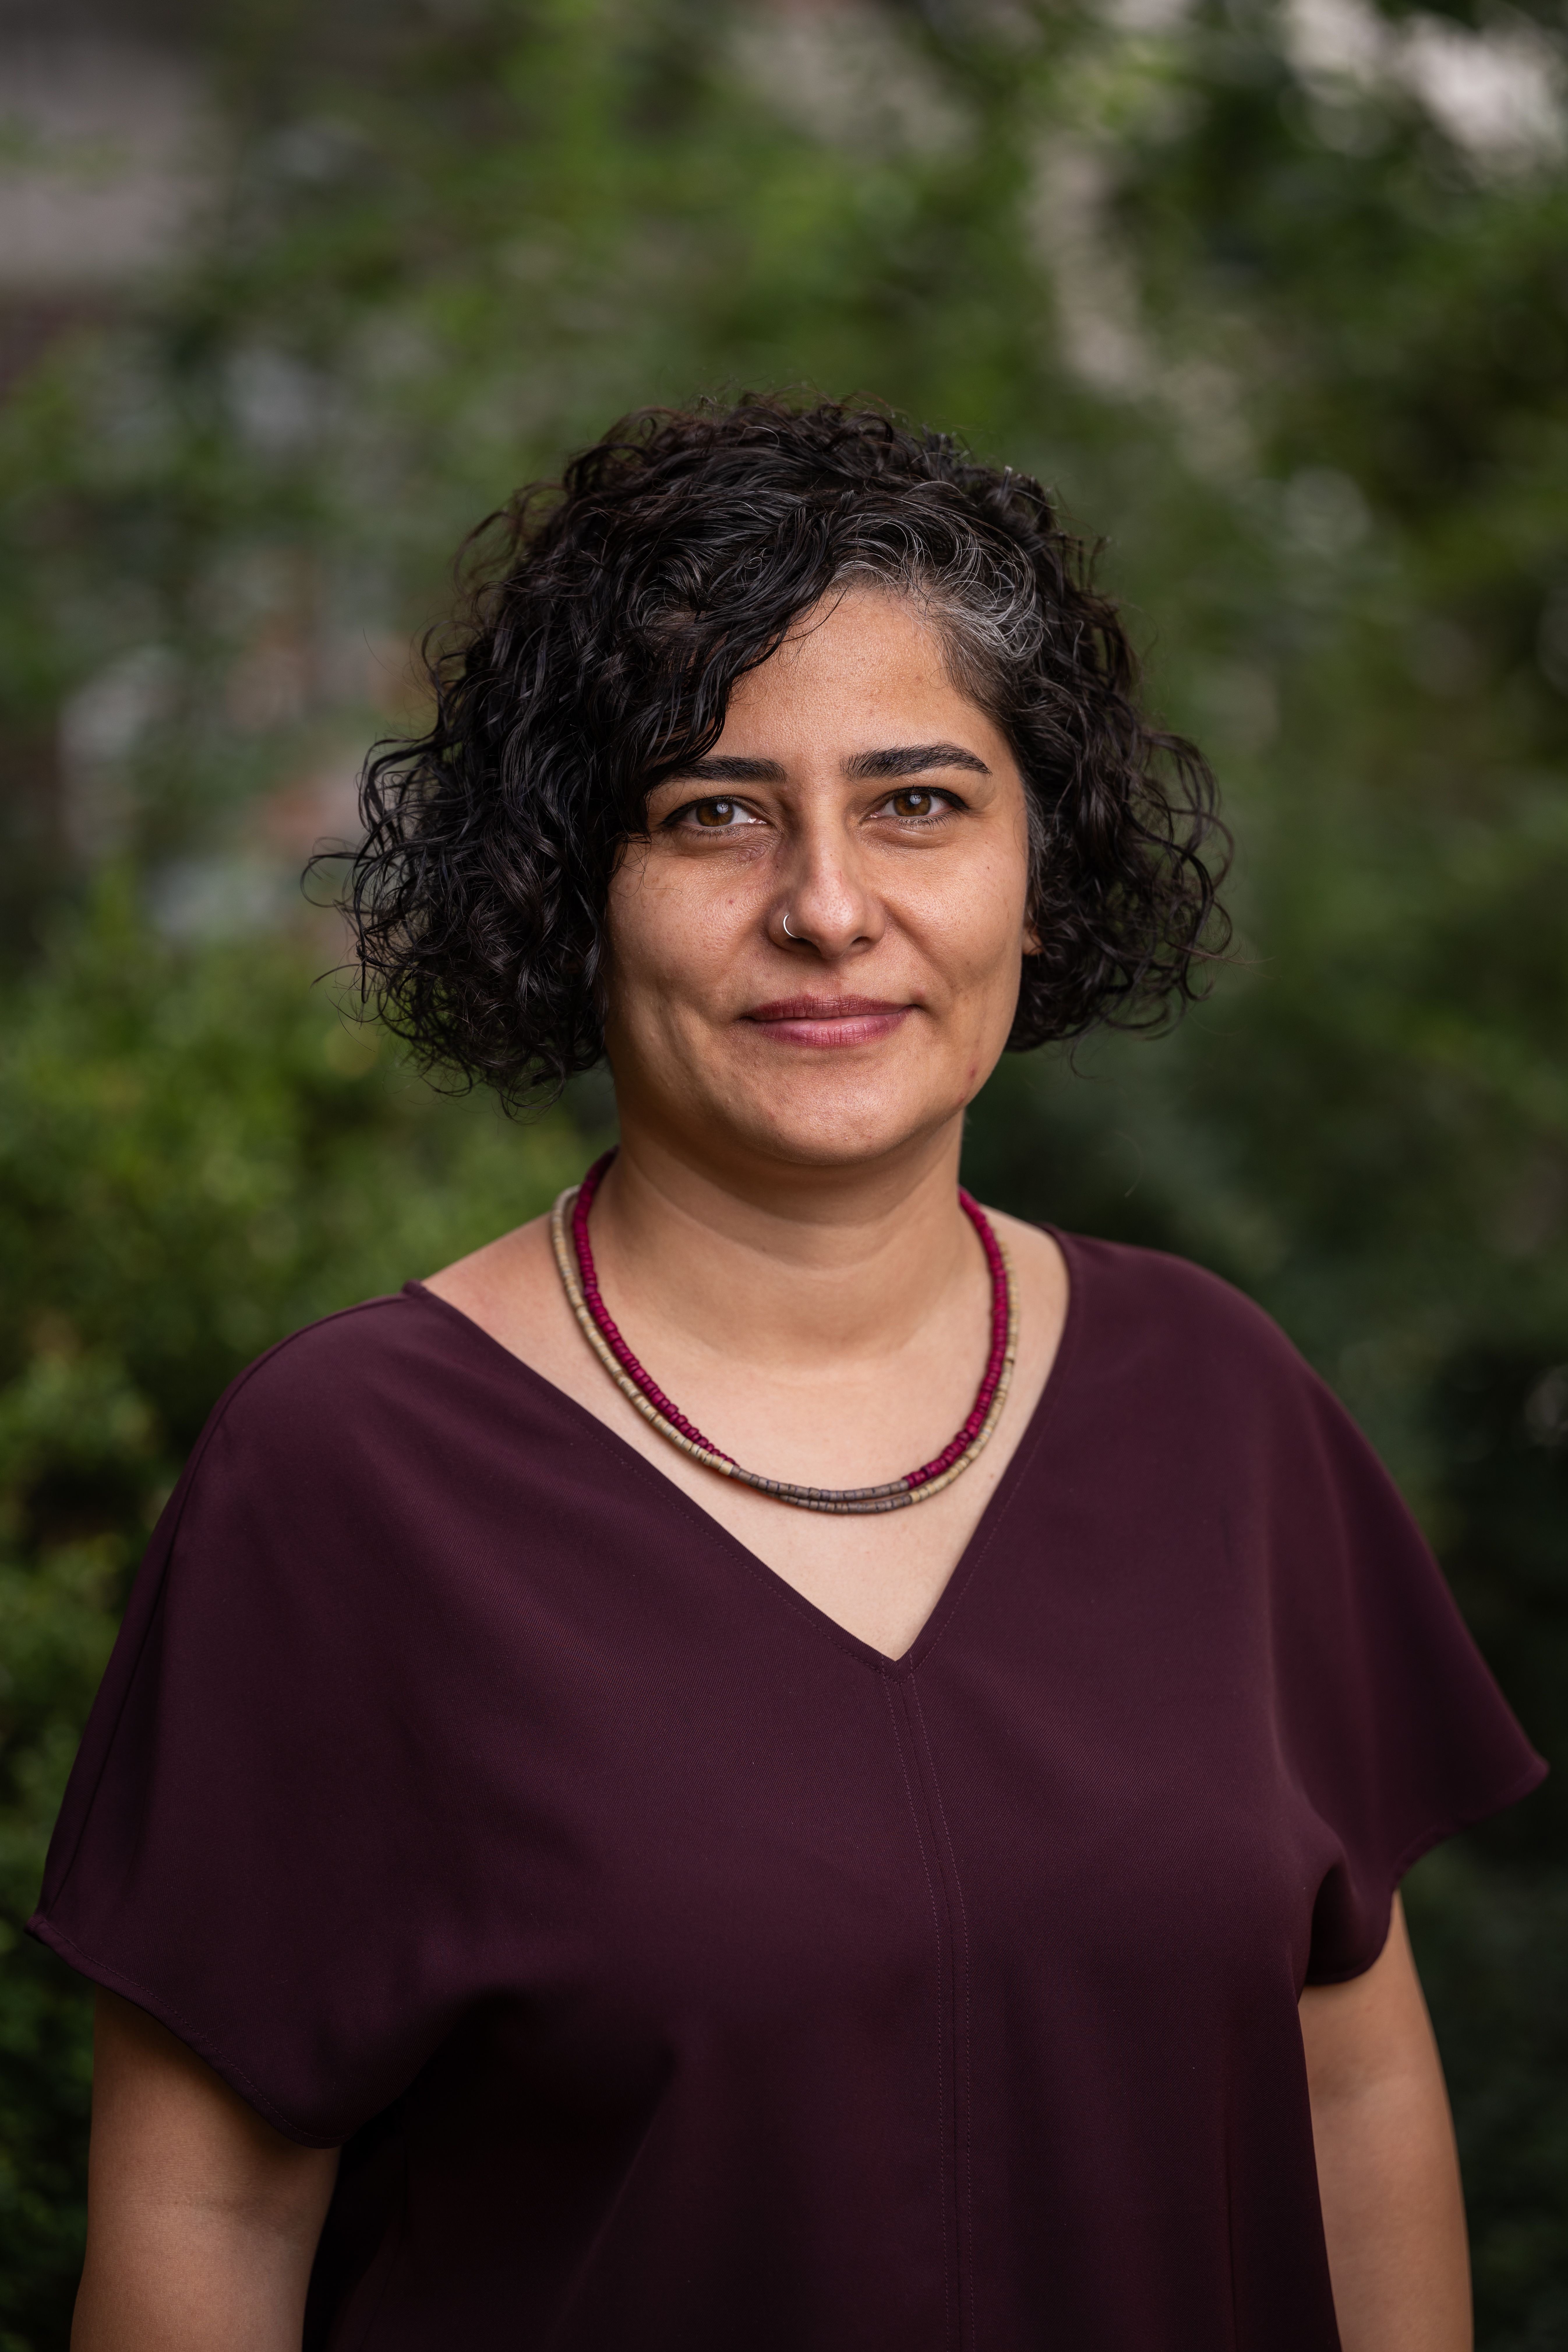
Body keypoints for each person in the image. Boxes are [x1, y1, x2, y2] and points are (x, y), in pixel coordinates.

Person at [33, 396, 1542, 2352]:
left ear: (1037, 862)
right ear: (571, 885)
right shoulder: (345, 1476)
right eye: (713, 813)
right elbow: (208, 2222)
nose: (827, 907)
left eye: (919, 800)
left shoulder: (1221, 1406)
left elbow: (1351, 2088)